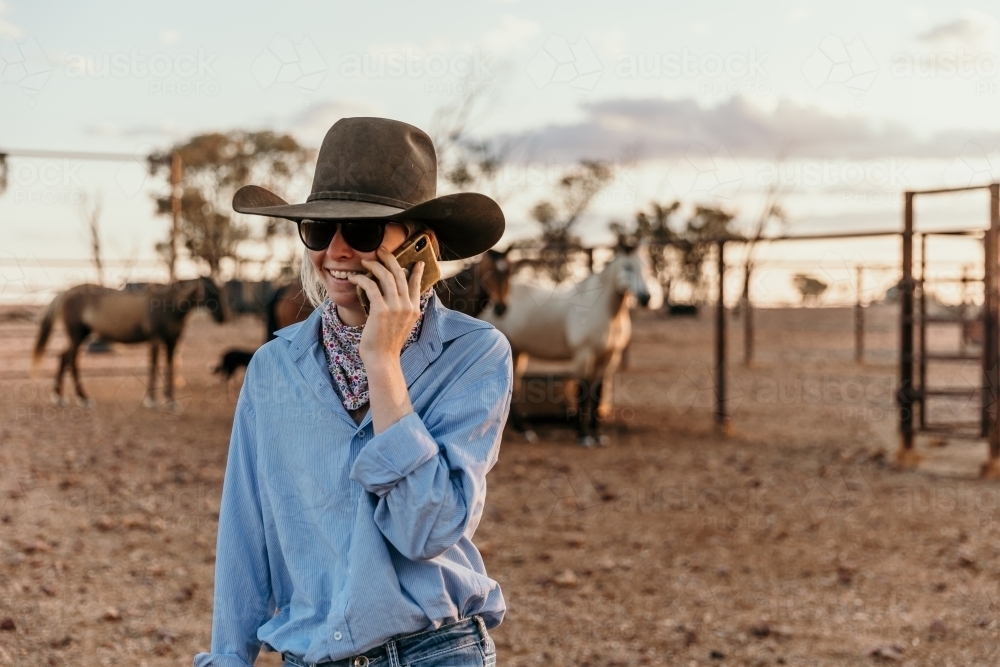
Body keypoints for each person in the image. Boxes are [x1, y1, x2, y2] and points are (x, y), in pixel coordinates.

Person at [193, 117, 511, 667]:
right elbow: (246, 529)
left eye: (362, 232)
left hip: (434, 650)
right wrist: (228, 658)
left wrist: (383, 362)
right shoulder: (273, 369)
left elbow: (426, 529)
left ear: (419, 246)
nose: (336, 250)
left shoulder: (475, 355)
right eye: (318, 228)